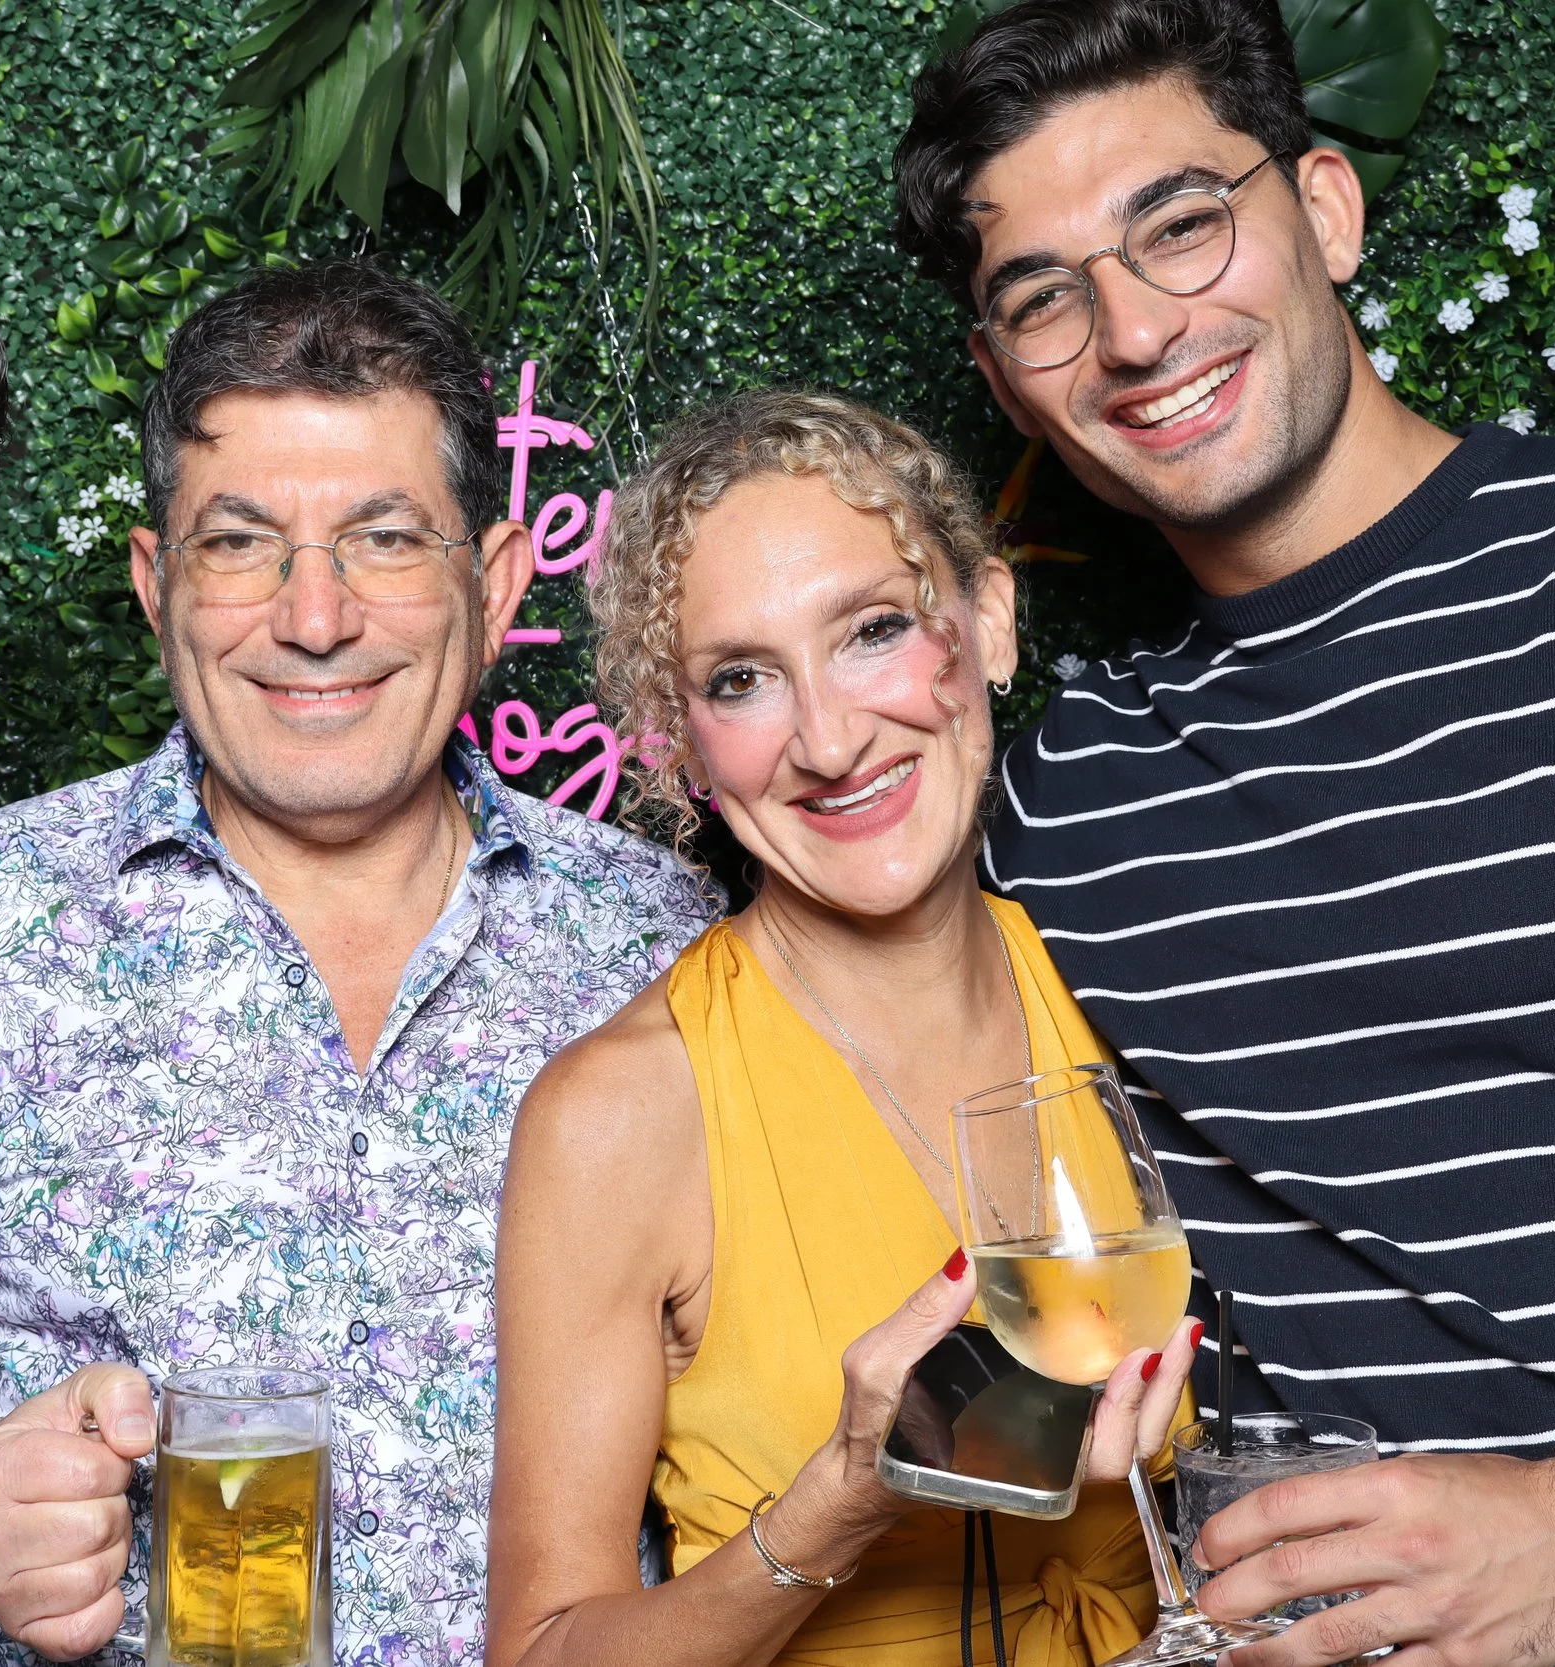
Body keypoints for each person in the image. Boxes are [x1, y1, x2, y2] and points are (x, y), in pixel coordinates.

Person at [892, 0, 1555, 1661]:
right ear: (1004, 383)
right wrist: (861, 1483)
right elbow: (1023, 1311)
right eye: (1044, 297)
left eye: (1182, 225)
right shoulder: (1063, 809)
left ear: (1325, 210)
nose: (1135, 331)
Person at [0, 259, 718, 1667]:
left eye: (386, 539)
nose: (315, 618)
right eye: (242, 544)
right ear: (157, 585)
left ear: (494, 582)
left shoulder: (663, 940)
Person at [488, 391, 1204, 1667]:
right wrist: (844, 1496)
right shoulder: (621, 1111)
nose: (827, 740)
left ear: (988, 622)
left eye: (873, 630)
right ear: (685, 742)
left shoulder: (1124, 977)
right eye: (741, 680)